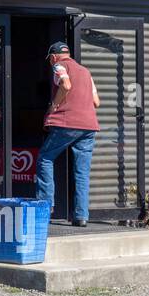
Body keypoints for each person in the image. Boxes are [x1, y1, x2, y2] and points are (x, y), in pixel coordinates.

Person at [35, 41, 100, 227]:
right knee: (82, 172)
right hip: (89, 126)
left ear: (54, 56)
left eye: (49, 59)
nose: (50, 62)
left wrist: (53, 106)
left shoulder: (59, 65)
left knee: (45, 159)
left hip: (66, 123)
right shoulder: (86, 72)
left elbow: (66, 84)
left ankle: (45, 210)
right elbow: (96, 102)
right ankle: (81, 216)